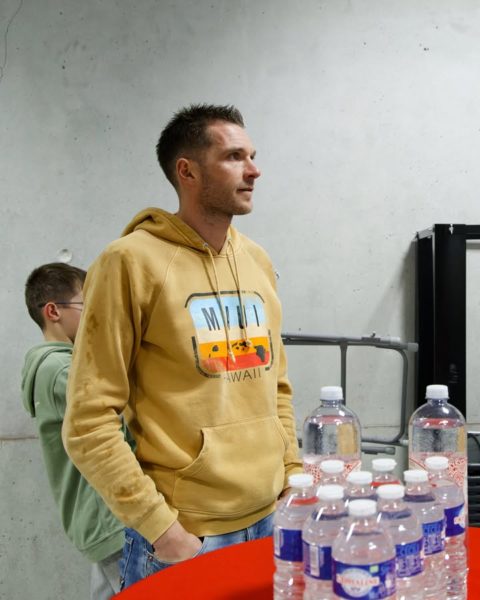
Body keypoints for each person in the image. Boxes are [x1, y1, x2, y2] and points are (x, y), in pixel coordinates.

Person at [62, 103, 302, 589]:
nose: (254, 170)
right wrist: (162, 529)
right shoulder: (129, 262)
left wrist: (292, 474)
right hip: (188, 537)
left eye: (252, 156)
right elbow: (88, 420)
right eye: (233, 156)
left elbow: (275, 383)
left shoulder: (257, 260)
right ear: (187, 171)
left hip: (270, 520)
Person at [21, 263, 125, 599]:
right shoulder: (60, 368)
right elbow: (118, 423)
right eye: (87, 304)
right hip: (109, 515)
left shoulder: (59, 365)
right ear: (53, 311)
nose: (96, 314)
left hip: (98, 515)